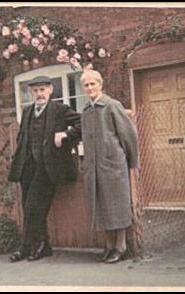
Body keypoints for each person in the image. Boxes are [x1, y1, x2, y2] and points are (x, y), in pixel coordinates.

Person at [8, 75, 81, 262]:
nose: (39, 94)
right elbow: (22, 137)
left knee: (34, 206)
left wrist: (65, 134)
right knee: (28, 206)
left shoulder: (59, 109)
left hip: (49, 167)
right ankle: (40, 245)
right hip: (28, 165)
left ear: (50, 90)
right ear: (31, 93)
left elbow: (82, 123)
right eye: (35, 91)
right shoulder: (27, 111)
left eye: (42, 90)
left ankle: (31, 246)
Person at [80, 69, 139, 264]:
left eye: (92, 84)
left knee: (117, 206)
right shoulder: (86, 111)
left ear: (100, 85)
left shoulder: (113, 106)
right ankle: (109, 245)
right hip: (94, 167)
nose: (89, 88)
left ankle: (121, 247)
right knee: (100, 205)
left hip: (114, 165)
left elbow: (129, 135)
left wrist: (131, 162)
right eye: (86, 85)